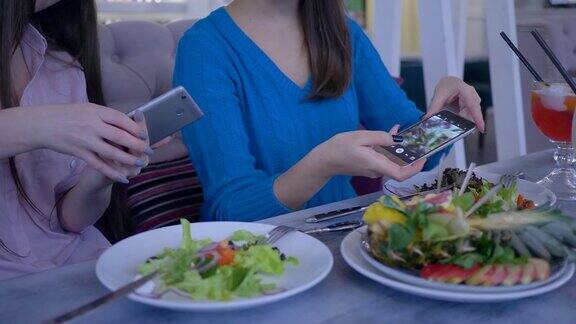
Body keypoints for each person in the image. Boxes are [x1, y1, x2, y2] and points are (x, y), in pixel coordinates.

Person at [174, 0, 484, 222]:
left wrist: (447, 119)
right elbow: (230, 209)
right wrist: (322, 165)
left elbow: (410, 150)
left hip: (347, 240)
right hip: (256, 262)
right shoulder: (204, 48)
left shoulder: (344, 33)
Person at [0, 0, 151, 280]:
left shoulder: (62, 68)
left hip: (78, 264)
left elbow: (70, 220)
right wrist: (43, 124)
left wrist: (101, 174)